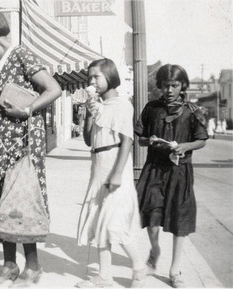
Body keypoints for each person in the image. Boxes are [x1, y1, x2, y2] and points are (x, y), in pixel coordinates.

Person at [0, 8, 62, 286]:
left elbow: (53, 89)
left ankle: (33, 267)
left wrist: (28, 109)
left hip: (22, 144)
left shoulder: (21, 55)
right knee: (1, 202)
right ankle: (9, 266)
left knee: (23, 201)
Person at [135, 64, 208, 288]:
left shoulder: (192, 111)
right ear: (159, 86)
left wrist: (186, 146)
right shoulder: (151, 108)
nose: (169, 90)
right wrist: (150, 140)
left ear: (182, 85)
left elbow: (202, 139)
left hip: (180, 171)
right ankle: (155, 250)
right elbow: (141, 138)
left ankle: (175, 270)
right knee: (151, 212)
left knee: (179, 218)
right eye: (165, 85)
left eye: (174, 85)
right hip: (155, 167)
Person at [76, 59, 146, 288]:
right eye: (89, 78)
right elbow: (88, 140)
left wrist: (117, 174)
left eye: (96, 76)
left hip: (115, 165)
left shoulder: (122, 105)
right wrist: (88, 113)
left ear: (110, 76)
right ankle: (104, 275)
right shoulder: (98, 105)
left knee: (116, 224)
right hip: (98, 165)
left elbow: (127, 140)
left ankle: (139, 268)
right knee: (99, 221)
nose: (92, 81)